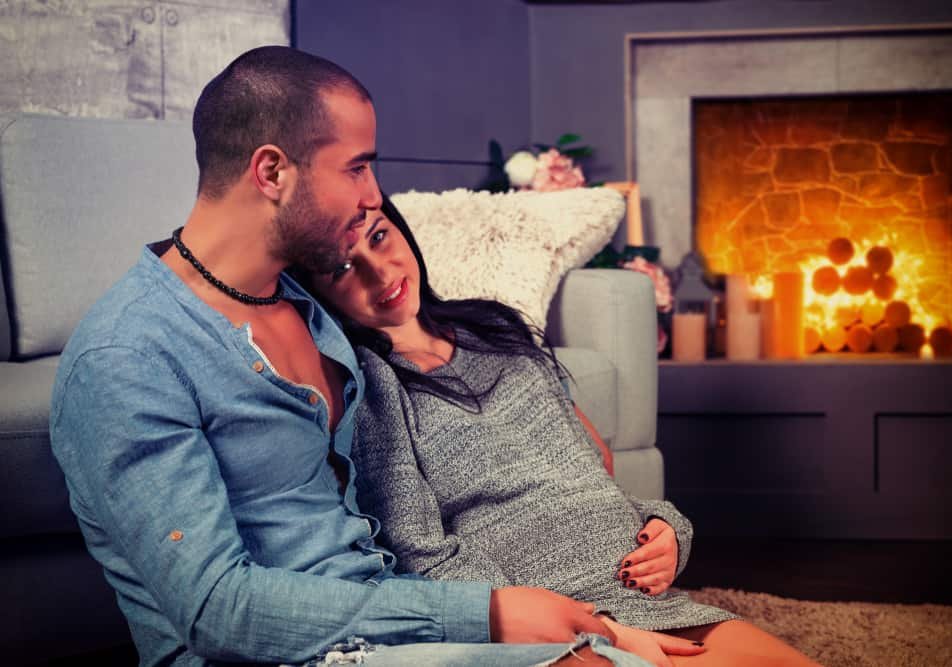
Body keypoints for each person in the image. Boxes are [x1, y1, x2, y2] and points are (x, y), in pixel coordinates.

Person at [49, 46, 703, 667]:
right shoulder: (127, 355)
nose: (373, 195)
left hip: (387, 622)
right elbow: (217, 611)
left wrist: (593, 593)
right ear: (271, 172)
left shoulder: (310, 312)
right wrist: (486, 612)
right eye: (356, 167)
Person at [304, 199, 822, 666]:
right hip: (554, 624)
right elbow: (422, 555)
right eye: (343, 269)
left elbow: (587, 472)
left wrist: (666, 529)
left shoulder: (494, 328)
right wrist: (591, 631)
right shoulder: (373, 386)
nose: (379, 272)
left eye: (379, 237)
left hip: (648, 601)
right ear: (320, 293)